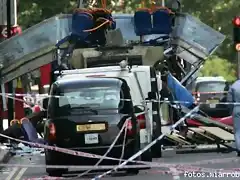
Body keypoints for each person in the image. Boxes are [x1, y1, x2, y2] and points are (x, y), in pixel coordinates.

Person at [227, 80, 240, 156]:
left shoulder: (234, 85)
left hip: (237, 109)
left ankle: (239, 149)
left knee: (238, 131)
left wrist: (231, 110)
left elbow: (229, 100)